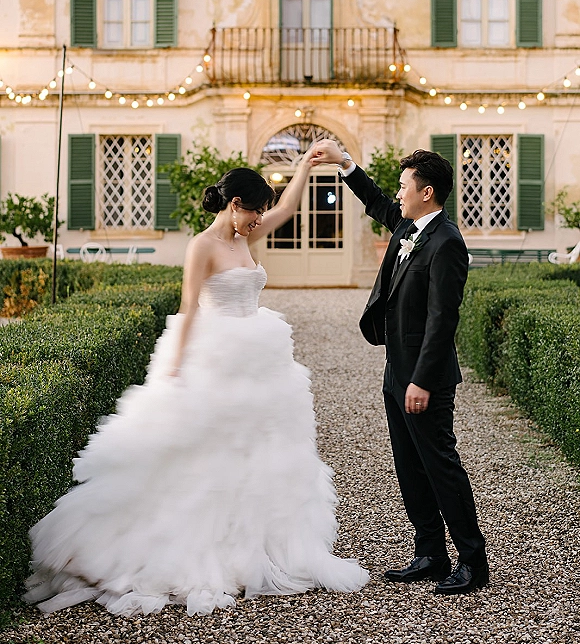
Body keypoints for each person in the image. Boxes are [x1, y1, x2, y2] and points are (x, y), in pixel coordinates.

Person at [25, 152, 368, 617]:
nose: (260, 219)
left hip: (261, 360)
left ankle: (258, 541)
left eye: (260, 214)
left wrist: (307, 163)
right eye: (255, 210)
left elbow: (287, 210)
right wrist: (175, 366)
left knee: (263, 454)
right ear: (236, 204)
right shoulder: (202, 246)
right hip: (218, 355)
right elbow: (189, 307)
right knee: (206, 456)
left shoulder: (250, 234)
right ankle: (198, 546)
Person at [311, 141, 488, 595]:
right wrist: (346, 163)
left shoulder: (447, 242)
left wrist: (422, 381)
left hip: (423, 379)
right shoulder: (408, 226)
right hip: (397, 368)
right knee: (409, 467)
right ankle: (430, 553)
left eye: (404, 185)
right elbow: (375, 202)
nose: (398, 193)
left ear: (426, 192)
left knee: (441, 466)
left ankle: (472, 561)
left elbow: (442, 319)